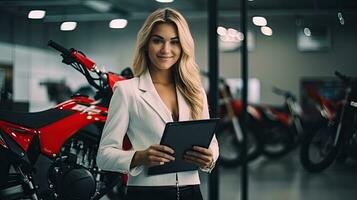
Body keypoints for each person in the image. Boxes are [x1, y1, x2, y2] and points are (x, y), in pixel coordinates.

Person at [97, 7, 219, 200]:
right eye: (157, 40)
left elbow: (211, 142)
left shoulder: (195, 91)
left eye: (175, 42)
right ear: (146, 44)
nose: (166, 50)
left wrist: (210, 157)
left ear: (183, 46)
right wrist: (139, 157)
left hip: (192, 192)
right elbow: (104, 156)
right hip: (146, 194)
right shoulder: (127, 91)